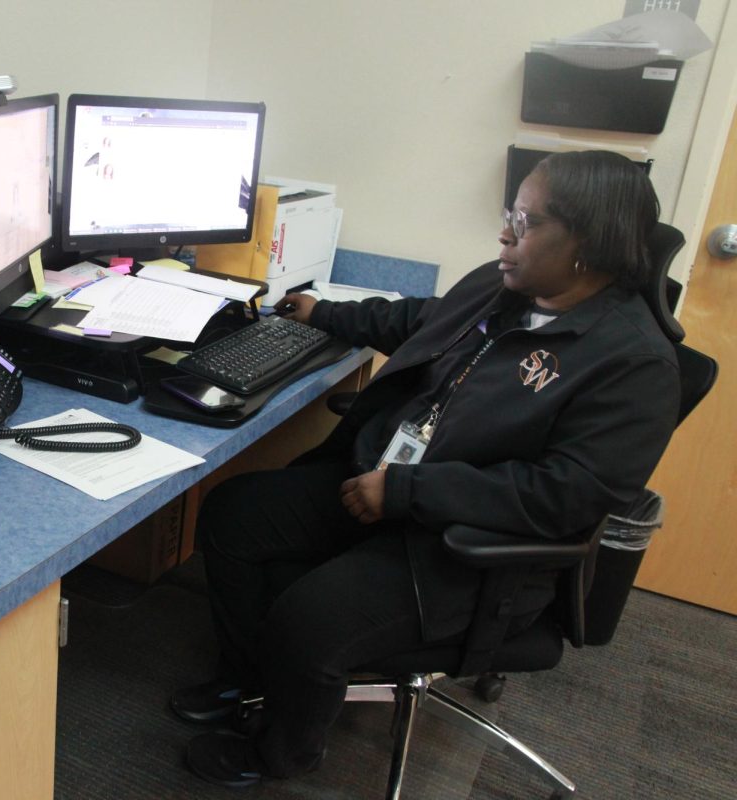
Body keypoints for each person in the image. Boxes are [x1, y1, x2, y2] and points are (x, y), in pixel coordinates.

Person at [172, 150, 681, 788]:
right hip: (386, 488)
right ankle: (249, 681)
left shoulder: (633, 366)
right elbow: (421, 318)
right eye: (509, 215)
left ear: (587, 244)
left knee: (310, 618)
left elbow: (565, 496)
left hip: (468, 546)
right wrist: (325, 312)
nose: (504, 234)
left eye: (524, 222)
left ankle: (281, 751)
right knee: (234, 514)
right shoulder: (507, 286)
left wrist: (410, 491)